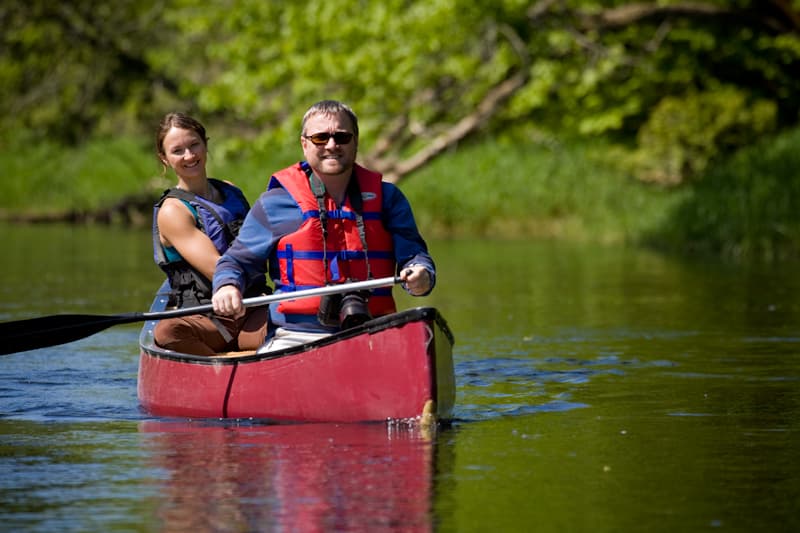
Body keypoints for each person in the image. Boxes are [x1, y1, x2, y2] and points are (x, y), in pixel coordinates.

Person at [211, 100, 435, 352]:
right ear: (304, 144)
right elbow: (235, 262)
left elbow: (415, 255)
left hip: (376, 328)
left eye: (342, 137)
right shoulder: (275, 203)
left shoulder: (388, 198)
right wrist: (227, 285)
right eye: (320, 138)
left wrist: (421, 275)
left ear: (355, 141)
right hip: (297, 336)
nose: (331, 145)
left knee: (421, 339)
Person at [152, 112, 268, 355]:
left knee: (302, 319)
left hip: (252, 306)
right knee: (166, 332)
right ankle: (219, 360)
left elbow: (259, 243)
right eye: (178, 150)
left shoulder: (231, 191)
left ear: (206, 144)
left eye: (195, 145)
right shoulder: (173, 211)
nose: (189, 155)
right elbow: (219, 269)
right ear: (164, 158)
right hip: (207, 319)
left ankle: (249, 349)